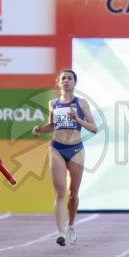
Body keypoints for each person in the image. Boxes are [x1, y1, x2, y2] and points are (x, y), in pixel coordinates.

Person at [31, 69, 98, 246]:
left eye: (70, 78)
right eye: (64, 78)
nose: (67, 81)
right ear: (58, 83)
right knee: (60, 191)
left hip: (76, 149)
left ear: (74, 83)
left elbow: (93, 128)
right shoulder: (53, 103)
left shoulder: (81, 103)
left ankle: (71, 225)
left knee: (73, 194)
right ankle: (60, 232)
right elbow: (52, 125)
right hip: (57, 148)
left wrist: (77, 119)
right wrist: (39, 128)